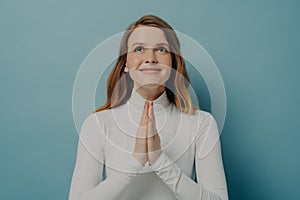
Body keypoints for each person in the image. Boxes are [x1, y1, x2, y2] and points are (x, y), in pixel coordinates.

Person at [68, 14, 228, 200]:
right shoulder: (98, 124)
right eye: (139, 49)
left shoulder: (202, 123)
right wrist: (135, 162)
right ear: (125, 64)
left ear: (173, 62)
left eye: (161, 49)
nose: (150, 58)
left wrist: (160, 160)